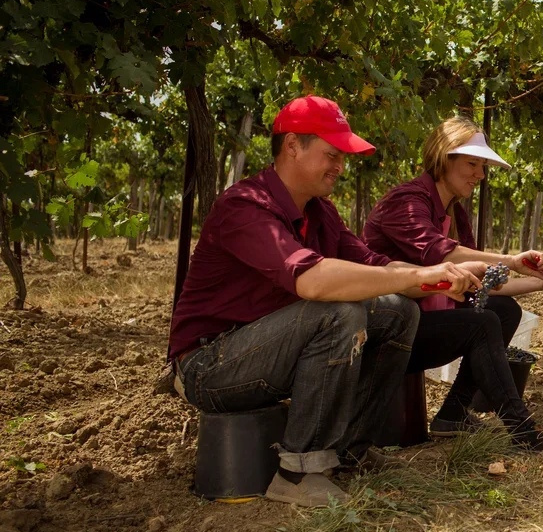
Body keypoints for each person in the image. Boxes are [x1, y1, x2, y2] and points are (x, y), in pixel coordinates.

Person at [168, 96, 480, 507]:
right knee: (336, 312)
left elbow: (377, 267)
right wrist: (416, 274)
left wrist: (439, 280)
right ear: (293, 146)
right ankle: (299, 473)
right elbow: (313, 284)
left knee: (397, 310)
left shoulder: (321, 213)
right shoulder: (245, 207)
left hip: (269, 352)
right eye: (332, 154)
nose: (340, 166)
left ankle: (349, 452)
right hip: (211, 364)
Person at [363, 117, 543, 446]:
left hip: (419, 322)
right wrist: (510, 260)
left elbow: (479, 279)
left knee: (504, 310)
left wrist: (541, 282)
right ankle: (524, 432)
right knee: (484, 322)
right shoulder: (406, 203)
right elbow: (440, 255)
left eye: (482, 165)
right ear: (442, 158)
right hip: (383, 330)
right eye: (472, 163)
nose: (480, 174)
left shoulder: (455, 212)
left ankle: (452, 414)